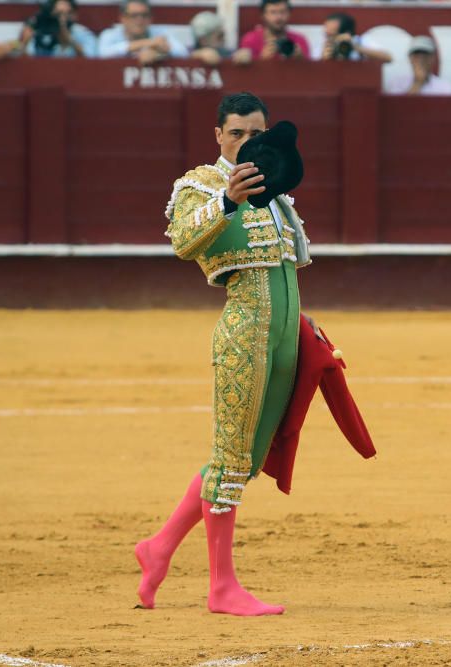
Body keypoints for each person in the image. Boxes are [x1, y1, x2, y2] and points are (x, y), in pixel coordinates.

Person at [139, 92, 310, 616]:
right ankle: (221, 587)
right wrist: (229, 201)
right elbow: (185, 242)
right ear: (218, 134)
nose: (245, 143)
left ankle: (160, 546)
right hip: (244, 331)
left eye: (254, 134)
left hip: (284, 336)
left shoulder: (277, 190)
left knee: (245, 460)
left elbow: (290, 264)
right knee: (231, 458)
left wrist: (303, 327)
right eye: (236, 133)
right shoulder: (201, 186)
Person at [98, 0, 188, 64]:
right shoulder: (109, 34)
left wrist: (159, 54)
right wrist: (149, 43)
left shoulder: (161, 33)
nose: (140, 20)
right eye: (134, 15)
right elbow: (103, 54)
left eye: (144, 15)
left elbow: (183, 53)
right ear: (123, 18)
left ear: (151, 18)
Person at [239, 0, 309, 61]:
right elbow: (245, 74)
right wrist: (261, 59)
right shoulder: (250, 40)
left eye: (282, 12)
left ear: (289, 14)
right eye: (273, 12)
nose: (278, 17)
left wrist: (301, 60)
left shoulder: (299, 40)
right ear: (263, 15)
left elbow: (310, 73)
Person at [385, 36, 451, 96]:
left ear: (433, 58)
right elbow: (398, 107)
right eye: (417, 55)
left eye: (425, 55)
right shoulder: (397, 83)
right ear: (410, 58)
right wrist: (418, 82)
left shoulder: (444, 86)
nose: (421, 59)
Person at [315, 12, 391, 64]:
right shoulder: (324, 46)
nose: (332, 38)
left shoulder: (362, 41)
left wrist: (355, 47)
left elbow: (388, 58)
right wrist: (323, 59)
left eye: (334, 34)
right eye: (328, 34)